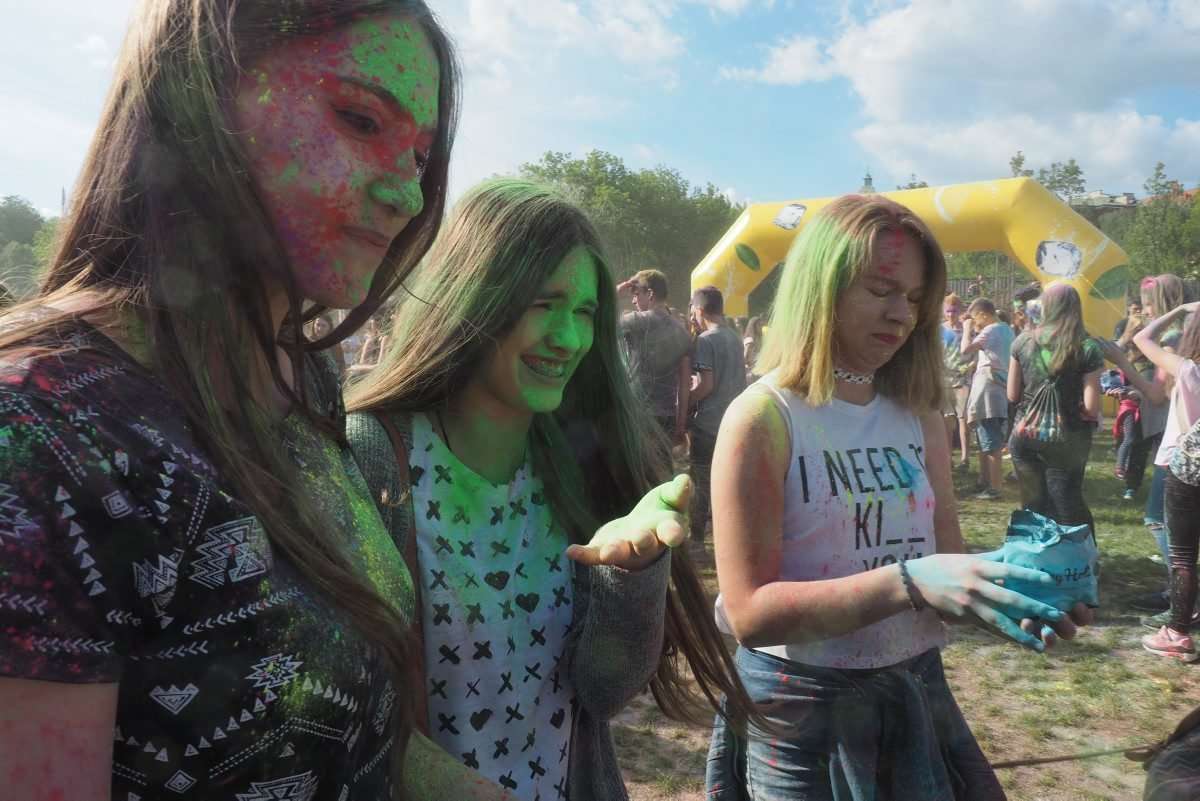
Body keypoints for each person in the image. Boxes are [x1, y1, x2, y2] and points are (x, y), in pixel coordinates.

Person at [0, 2, 472, 799]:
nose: (409, 195)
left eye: (421, 157)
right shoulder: (40, 432)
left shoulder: (303, 375)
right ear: (196, 93)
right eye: (360, 120)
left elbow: (351, 734)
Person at [344, 179, 761, 800]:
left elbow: (604, 690)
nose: (569, 338)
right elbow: (342, 715)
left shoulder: (578, 459)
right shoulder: (372, 456)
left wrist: (632, 570)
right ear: (472, 296)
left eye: (585, 312)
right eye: (544, 304)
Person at [704, 194, 1090, 801]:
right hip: (800, 711)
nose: (901, 314)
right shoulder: (763, 417)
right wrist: (908, 582)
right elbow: (750, 614)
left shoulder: (918, 414)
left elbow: (944, 569)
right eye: (881, 290)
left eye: (914, 298)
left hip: (914, 688)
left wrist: (1011, 596)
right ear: (820, 289)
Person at [1105, 275, 1186, 611]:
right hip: (1180, 433)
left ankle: (1184, 594)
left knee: (1158, 518)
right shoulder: (1188, 333)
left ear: (1163, 304)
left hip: (1178, 440)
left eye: (1149, 304)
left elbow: (1157, 395)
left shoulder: (1171, 339)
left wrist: (1123, 362)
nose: (1145, 310)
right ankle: (1179, 590)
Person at [1132, 302, 1200, 659]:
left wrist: (1178, 311)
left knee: (1183, 554)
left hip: (1186, 465)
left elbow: (1141, 338)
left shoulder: (1187, 369)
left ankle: (1177, 632)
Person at [1006, 283, 1103, 531]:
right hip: (1068, 437)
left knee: (1033, 504)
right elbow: (1091, 408)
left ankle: (1040, 550)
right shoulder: (1087, 347)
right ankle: (1078, 552)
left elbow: (1012, 394)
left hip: (1025, 433)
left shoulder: (1022, 341)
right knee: (1067, 503)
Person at [687, 286, 746, 543]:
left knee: (701, 482)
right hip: (733, 422)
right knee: (729, 483)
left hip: (709, 425)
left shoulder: (706, 340)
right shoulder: (735, 337)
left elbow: (706, 385)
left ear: (700, 310)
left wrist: (685, 401)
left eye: (693, 310)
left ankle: (697, 540)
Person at [615, 268, 692, 444]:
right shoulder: (683, 332)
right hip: (667, 418)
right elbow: (684, 385)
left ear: (650, 294)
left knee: (634, 462)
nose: (633, 301)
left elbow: (600, 321)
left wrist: (616, 293)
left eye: (636, 294)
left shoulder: (635, 322)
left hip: (637, 414)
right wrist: (680, 425)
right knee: (662, 462)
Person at [961, 297, 1015, 499]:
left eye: (975, 318)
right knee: (985, 438)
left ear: (983, 314)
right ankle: (984, 481)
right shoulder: (1006, 329)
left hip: (988, 393)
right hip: (999, 390)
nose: (975, 323)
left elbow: (964, 351)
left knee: (991, 442)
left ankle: (995, 487)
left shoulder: (991, 330)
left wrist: (966, 329)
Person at [941, 293, 973, 470]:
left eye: (954, 311)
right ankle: (947, 457)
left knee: (963, 419)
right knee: (947, 420)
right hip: (944, 379)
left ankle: (965, 458)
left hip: (963, 379)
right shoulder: (940, 330)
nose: (951, 314)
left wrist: (971, 366)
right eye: (948, 311)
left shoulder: (967, 329)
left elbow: (976, 351)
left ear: (959, 310)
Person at [743, 315, 765, 382]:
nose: (761, 327)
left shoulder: (759, 339)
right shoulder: (750, 340)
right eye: (759, 325)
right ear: (753, 326)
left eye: (762, 325)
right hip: (752, 371)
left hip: (758, 369)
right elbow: (745, 357)